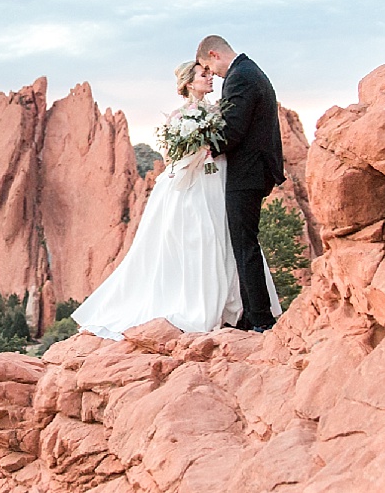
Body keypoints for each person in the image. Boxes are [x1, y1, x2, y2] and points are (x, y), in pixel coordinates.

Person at [73, 60, 279, 339]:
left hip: (219, 182)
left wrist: (209, 145)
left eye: (209, 73)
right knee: (197, 240)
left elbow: (229, 139)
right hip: (194, 186)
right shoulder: (178, 117)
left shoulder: (220, 111)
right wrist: (198, 149)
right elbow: (172, 157)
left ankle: (236, 309)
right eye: (203, 75)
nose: (209, 78)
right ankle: (199, 304)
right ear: (188, 84)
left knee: (226, 240)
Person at [196, 34, 285, 331]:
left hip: (248, 173)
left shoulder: (240, 77)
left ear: (214, 54)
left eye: (209, 67)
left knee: (244, 245)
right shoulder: (250, 71)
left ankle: (260, 319)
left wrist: (207, 146)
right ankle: (252, 314)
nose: (213, 75)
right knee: (243, 243)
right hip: (254, 170)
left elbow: (233, 130)